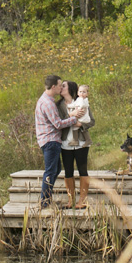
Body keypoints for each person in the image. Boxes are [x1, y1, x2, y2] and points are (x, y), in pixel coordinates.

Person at [35, 74, 84, 209]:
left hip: (50, 140)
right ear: (53, 87)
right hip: (50, 141)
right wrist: (73, 118)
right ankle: (45, 203)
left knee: (56, 170)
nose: (61, 87)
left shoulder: (46, 100)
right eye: (60, 85)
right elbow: (57, 124)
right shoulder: (48, 103)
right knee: (50, 171)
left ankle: (47, 200)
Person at [57, 81, 95, 209]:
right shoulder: (58, 105)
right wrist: (70, 116)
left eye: (63, 86)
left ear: (70, 89)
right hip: (65, 143)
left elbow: (91, 121)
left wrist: (80, 125)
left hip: (81, 142)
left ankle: (82, 201)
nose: (61, 88)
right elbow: (57, 122)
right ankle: (70, 200)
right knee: (68, 171)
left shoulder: (81, 101)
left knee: (82, 170)